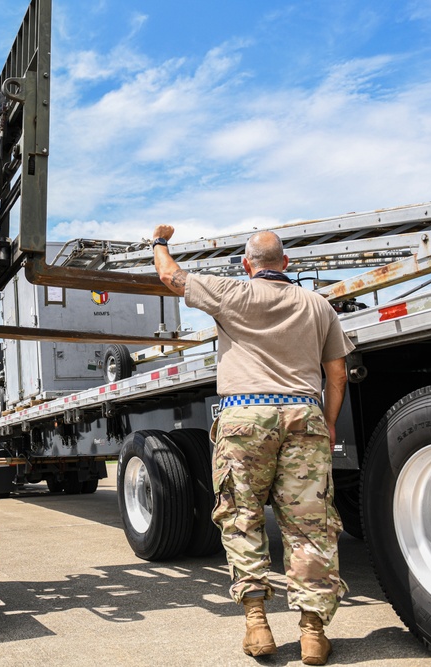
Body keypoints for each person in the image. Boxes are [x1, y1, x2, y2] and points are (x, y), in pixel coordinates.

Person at [152, 225, 354, 666]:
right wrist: (330, 423)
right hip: (305, 416)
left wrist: (160, 243)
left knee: (242, 517)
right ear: (285, 264)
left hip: (246, 416)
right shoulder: (318, 305)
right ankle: (313, 635)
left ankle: (258, 625)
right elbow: (337, 374)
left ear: (248, 265)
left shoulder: (232, 293)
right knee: (310, 526)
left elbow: (170, 277)